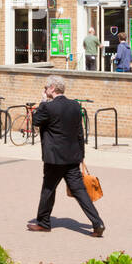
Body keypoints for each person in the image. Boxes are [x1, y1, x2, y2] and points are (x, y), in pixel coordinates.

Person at [27, 76, 105, 237]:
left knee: (48, 189)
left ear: (53, 88)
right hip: (72, 156)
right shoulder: (75, 106)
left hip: (54, 159)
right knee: (80, 191)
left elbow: (35, 120)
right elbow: (79, 132)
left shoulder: (48, 107)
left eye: (46, 88)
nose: (44, 90)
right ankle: (97, 223)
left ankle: (43, 222)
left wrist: (42, 103)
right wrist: (81, 155)